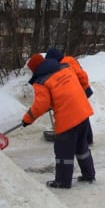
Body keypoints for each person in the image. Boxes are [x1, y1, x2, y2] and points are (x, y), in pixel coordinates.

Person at [22, 53, 96, 189]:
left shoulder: (41, 81)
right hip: (83, 113)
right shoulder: (65, 67)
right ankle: (89, 175)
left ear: (35, 69)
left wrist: (27, 119)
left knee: (63, 152)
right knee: (82, 147)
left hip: (68, 119)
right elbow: (67, 89)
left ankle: (62, 181)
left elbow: (41, 105)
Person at [46, 48, 95, 145]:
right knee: (81, 114)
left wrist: (83, 88)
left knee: (81, 115)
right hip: (78, 89)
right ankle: (86, 138)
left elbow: (82, 75)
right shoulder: (66, 61)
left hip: (80, 90)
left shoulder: (66, 62)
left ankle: (87, 138)